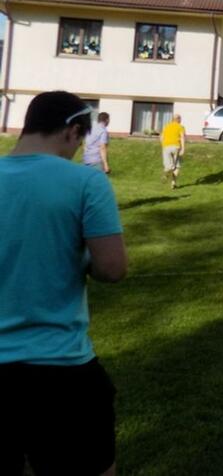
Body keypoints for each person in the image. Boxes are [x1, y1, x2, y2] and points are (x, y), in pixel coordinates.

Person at [1, 91, 127, 476]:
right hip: (61, 371)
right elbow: (112, 268)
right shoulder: (86, 182)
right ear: (72, 131)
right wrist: (81, 258)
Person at [161, 114, 185, 190]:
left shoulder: (166, 126)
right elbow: (182, 137)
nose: (181, 120)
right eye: (180, 119)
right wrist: (183, 149)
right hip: (176, 147)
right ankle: (173, 183)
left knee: (168, 166)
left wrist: (163, 146)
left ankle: (166, 174)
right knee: (177, 166)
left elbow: (161, 137)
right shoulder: (180, 127)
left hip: (166, 147)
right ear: (178, 119)